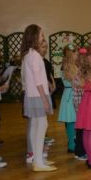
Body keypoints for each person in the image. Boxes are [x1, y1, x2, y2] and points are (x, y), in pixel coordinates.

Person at [21, 24, 56, 172]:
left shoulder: (28, 54)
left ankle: (37, 159)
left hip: (32, 95)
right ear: (34, 36)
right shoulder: (35, 56)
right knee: (42, 126)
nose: (43, 36)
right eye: (41, 34)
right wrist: (45, 99)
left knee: (36, 126)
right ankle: (39, 162)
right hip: (38, 95)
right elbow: (38, 81)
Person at [58, 46, 79, 155]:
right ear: (71, 54)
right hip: (71, 94)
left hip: (69, 94)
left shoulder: (67, 65)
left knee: (71, 121)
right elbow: (76, 81)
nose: (77, 55)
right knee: (71, 121)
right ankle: (72, 144)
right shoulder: (69, 67)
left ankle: (72, 142)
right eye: (76, 53)